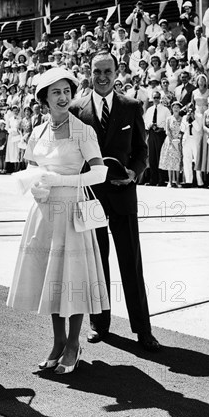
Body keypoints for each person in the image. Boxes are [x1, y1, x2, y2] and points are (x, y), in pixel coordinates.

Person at [7, 68, 109, 373]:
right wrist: (36, 186)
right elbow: (31, 167)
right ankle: (57, 342)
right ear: (44, 99)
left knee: (72, 280)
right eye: (56, 93)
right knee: (51, 281)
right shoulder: (37, 131)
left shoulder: (83, 131)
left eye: (67, 91)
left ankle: (73, 344)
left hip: (72, 214)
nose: (63, 97)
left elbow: (100, 172)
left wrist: (58, 181)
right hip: (44, 213)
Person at [70, 51, 161, 352]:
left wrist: (133, 173)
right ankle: (100, 324)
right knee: (97, 262)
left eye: (108, 71)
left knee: (130, 262)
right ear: (89, 72)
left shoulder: (131, 106)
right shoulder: (76, 109)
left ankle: (143, 330)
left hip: (123, 193)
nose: (103, 77)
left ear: (117, 71)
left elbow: (141, 151)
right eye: (97, 71)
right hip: (91, 197)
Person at [144, 90, 171, 187]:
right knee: (152, 157)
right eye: (154, 98)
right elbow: (146, 122)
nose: (156, 100)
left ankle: (161, 180)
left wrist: (161, 128)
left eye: (157, 98)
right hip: (151, 133)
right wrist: (150, 125)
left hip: (161, 134)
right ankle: (153, 179)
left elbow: (168, 122)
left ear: (160, 98)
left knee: (160, 156)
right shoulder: (149, 110)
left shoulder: (165, 110)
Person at [159, 102, 183, 187]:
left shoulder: (182, 118)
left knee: (177, 160)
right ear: (172, 109)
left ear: (180, 109)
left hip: (178, 141)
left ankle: (177, 181)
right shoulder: (169, 118)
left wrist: (178, 138)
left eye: (177, 107)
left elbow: (182, 129)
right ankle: (170, 181)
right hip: (170, 141)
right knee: (170, 161)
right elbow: (167, 130)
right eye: (174, 107)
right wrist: (172, 139)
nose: (176, 109)